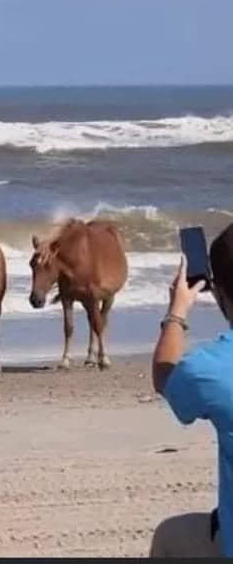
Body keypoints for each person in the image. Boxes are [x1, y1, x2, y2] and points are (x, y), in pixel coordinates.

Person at [150, 222, 233, 557]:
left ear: (219, 291)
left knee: (169, 539)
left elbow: (164, 377)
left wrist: (177, 310)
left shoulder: (209, 369)